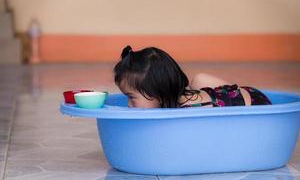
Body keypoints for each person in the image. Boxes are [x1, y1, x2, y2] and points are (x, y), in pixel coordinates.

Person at [113, 45, 272, 108]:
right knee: (199, 79)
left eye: (131, 98)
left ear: (159, 95)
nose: (129, 104)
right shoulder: (166, 98)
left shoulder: (188, 112)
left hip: (257, 104)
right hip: (238, 93)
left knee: (199, 80)